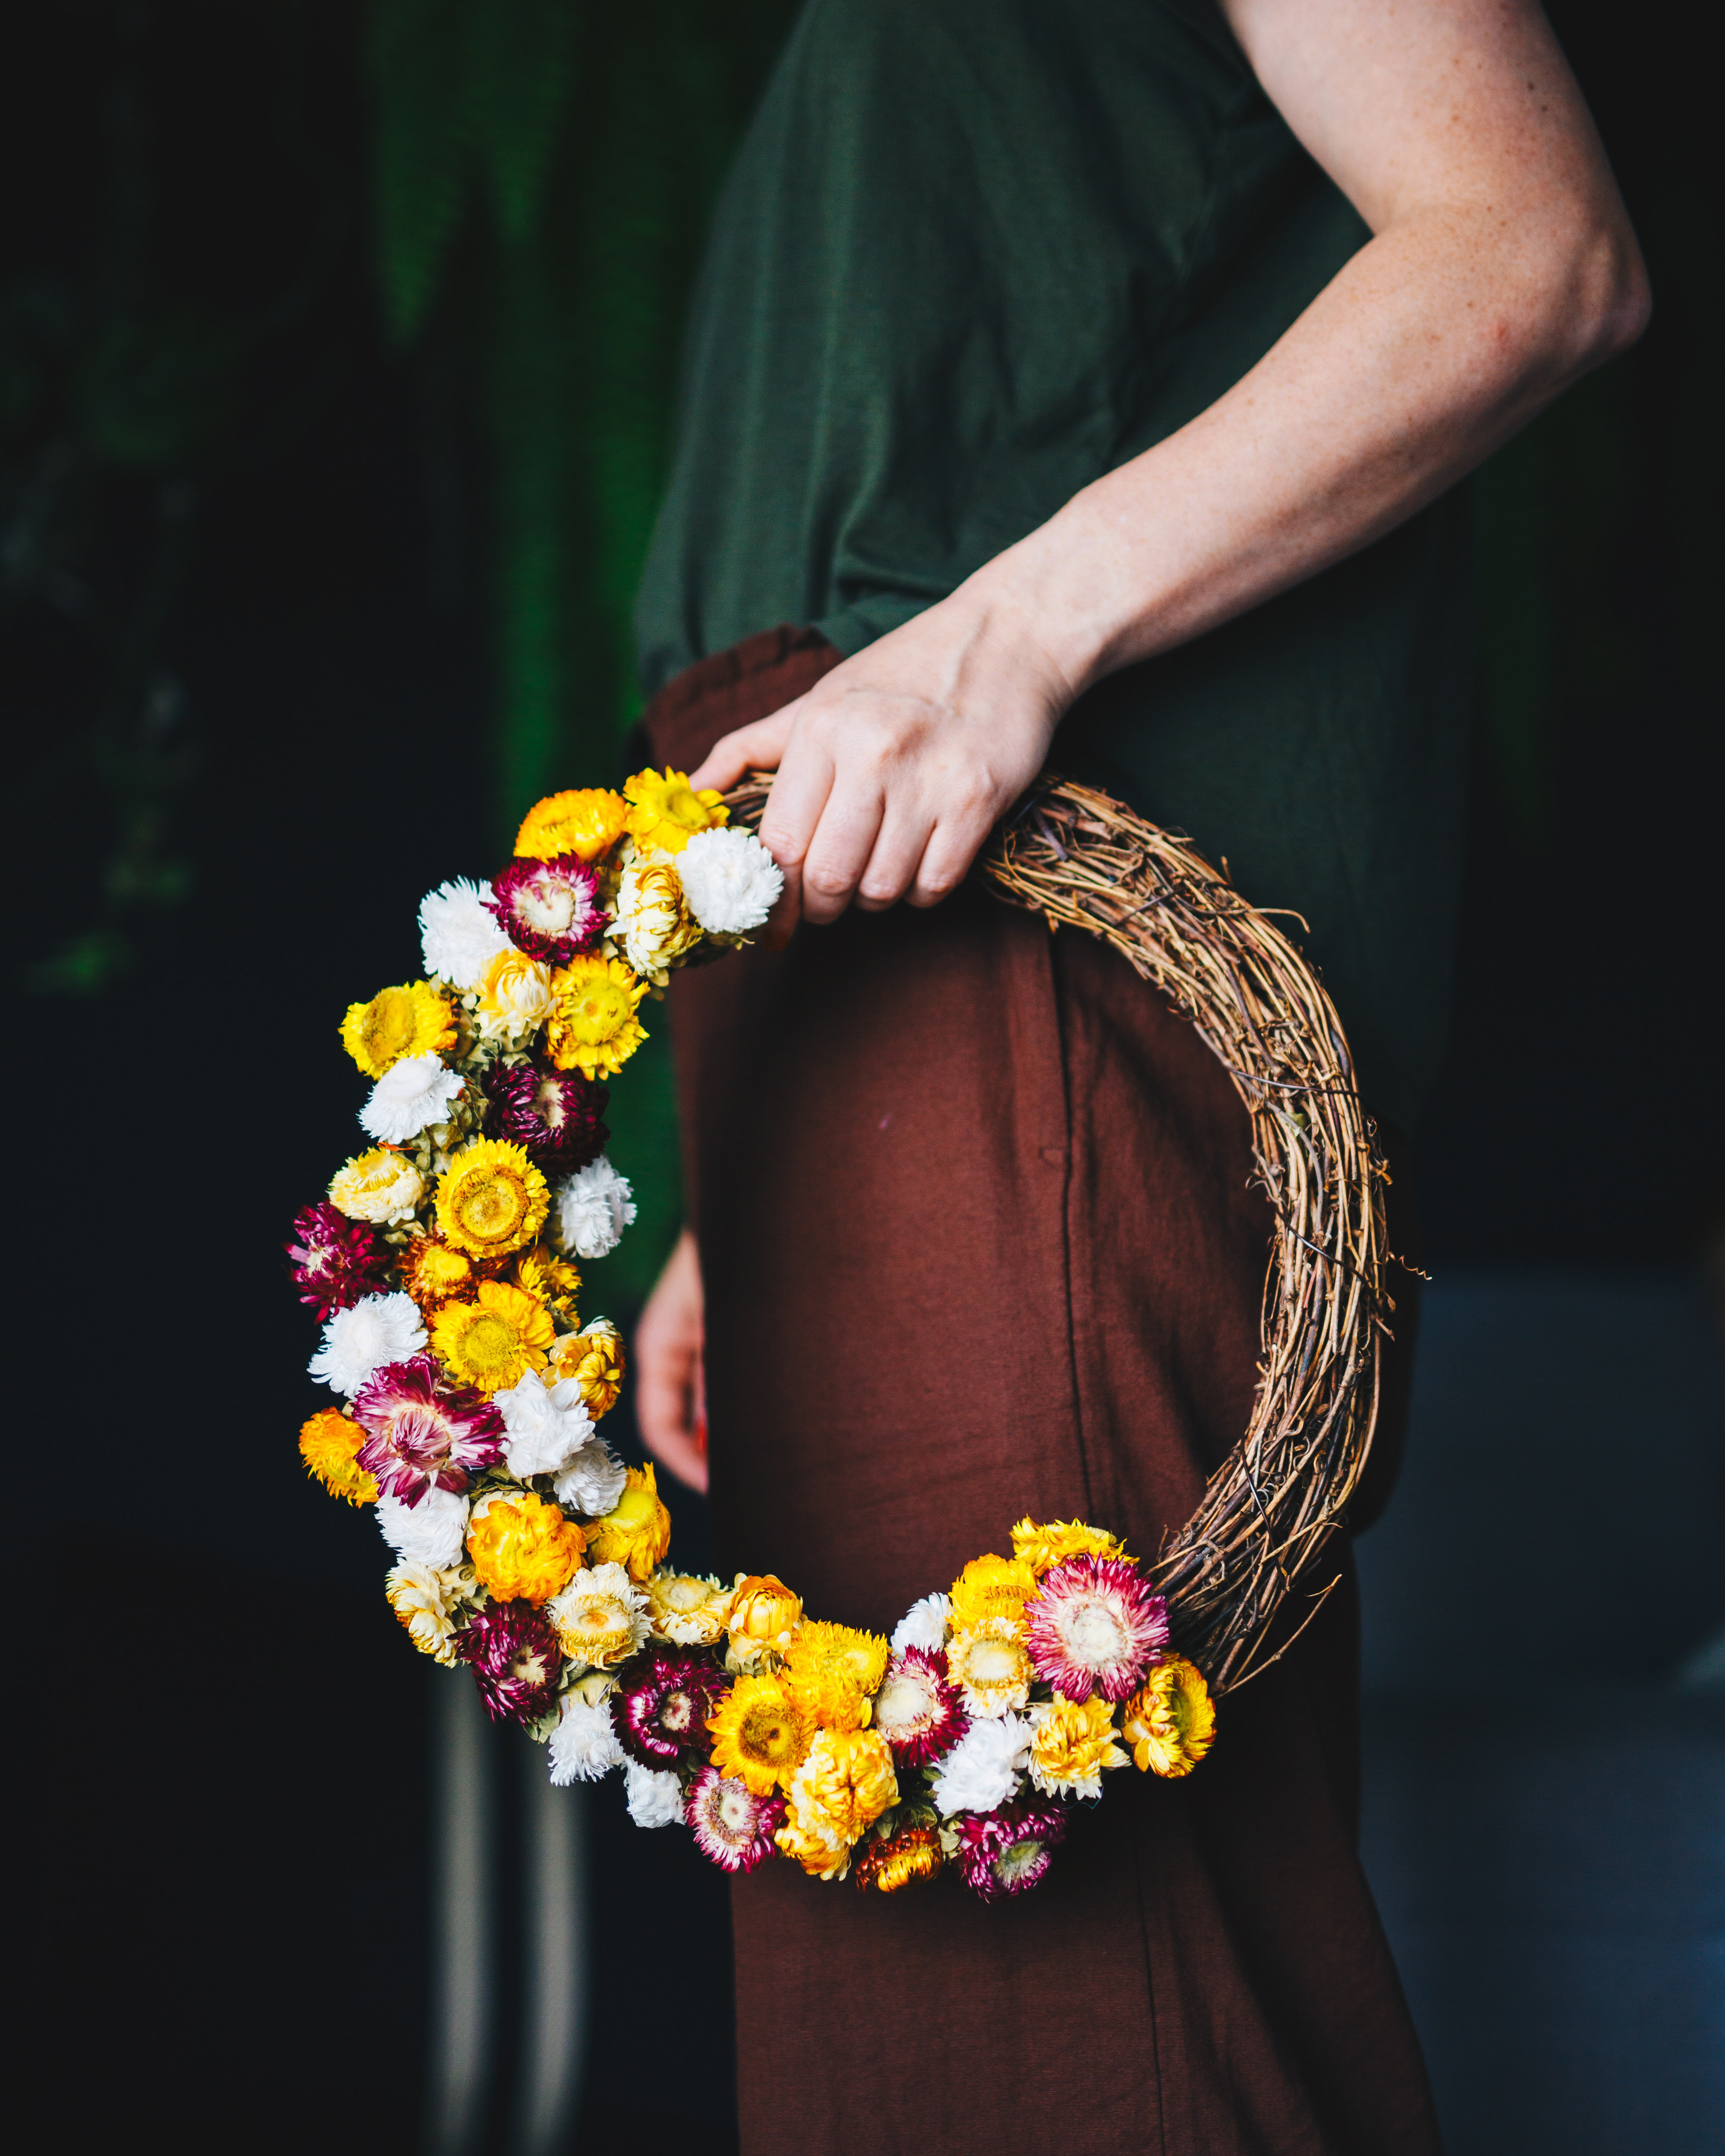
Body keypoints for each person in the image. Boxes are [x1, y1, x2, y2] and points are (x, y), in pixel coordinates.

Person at [629, 2, 1646, 2150]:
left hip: (1060, 912)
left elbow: (1525, 245)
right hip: (852, 947)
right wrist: (753, 1161)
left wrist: (997, 648)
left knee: (1092, 1981)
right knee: (908, 1999)